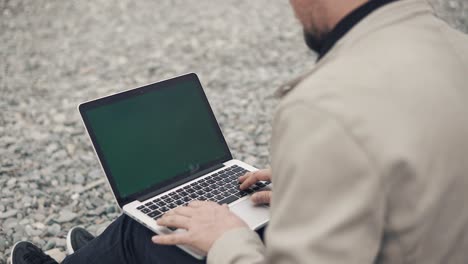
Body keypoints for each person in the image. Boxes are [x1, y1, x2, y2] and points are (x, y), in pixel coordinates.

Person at [11, 0, 468, 263]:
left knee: (150, 231)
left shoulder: (327, 104)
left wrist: (228, 240)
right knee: (172, 218)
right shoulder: (455, 46)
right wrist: (317, 182)